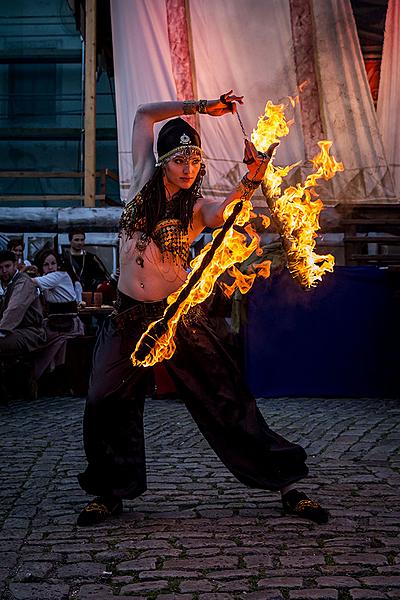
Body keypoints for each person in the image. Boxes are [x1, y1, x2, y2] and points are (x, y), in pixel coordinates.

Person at [77, 92, 329, 527]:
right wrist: (204, 106)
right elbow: (144, 114)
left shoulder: (196, 208)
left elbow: (225, 212)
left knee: (224, 397)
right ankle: (109, 491)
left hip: (179, 317)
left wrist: (251, 180)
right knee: (104, 398)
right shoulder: (139, 182)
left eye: (194, 160)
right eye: (179, 160)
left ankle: (288, 483)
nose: (188, 167)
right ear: (163, 162)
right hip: (130, 316)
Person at [31, 250, 84, 379]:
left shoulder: (59, 276)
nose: (50, 268)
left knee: (38, 339)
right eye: (46, 264)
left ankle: (37, 376)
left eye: (53, 263)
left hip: (69, 325)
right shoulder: (47, 279)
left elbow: (31, 281)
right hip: (56, 323)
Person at [0, 250, 46, 354]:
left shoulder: (23, 282)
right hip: (14, 329)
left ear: (15, 265)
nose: (4, 270)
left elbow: (15, 308)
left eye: (7, 266)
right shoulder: (4, 283)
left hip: (31, 332)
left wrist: (1, 331)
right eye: (0, 267)